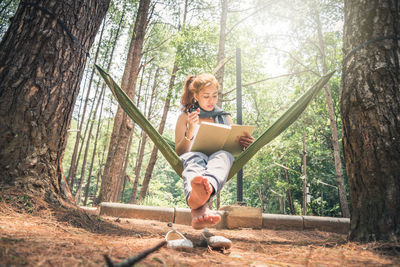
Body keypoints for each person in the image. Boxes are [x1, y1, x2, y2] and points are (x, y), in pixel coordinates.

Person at [175, 73, 254, 229]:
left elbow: (232, 146)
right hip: (193, 157)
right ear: (196, 96)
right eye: (206, 96)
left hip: (218, 158)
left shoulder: (225, 117)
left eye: (214, 96)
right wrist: (190, 132)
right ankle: (199, 195)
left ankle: (203, 192)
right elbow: (179, 151)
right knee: (196, 159)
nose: (211, 101)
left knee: (224, 155)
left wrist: (245, 144)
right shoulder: (185, 117)